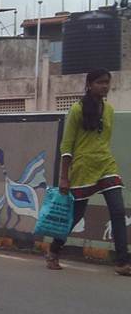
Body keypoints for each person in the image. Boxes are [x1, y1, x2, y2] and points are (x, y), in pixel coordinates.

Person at [48, 68, 130, 275]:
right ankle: (54, 250)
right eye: (100, 82)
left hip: (105, 165)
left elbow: (104, 140)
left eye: (107, 83)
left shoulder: (109, 110)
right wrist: (64, 177)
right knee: (76, 215)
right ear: (89, 84)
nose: (105, 86)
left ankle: (122, 261)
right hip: (83, 168)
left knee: (118, 211)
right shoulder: (77, 109)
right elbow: (67, 145)